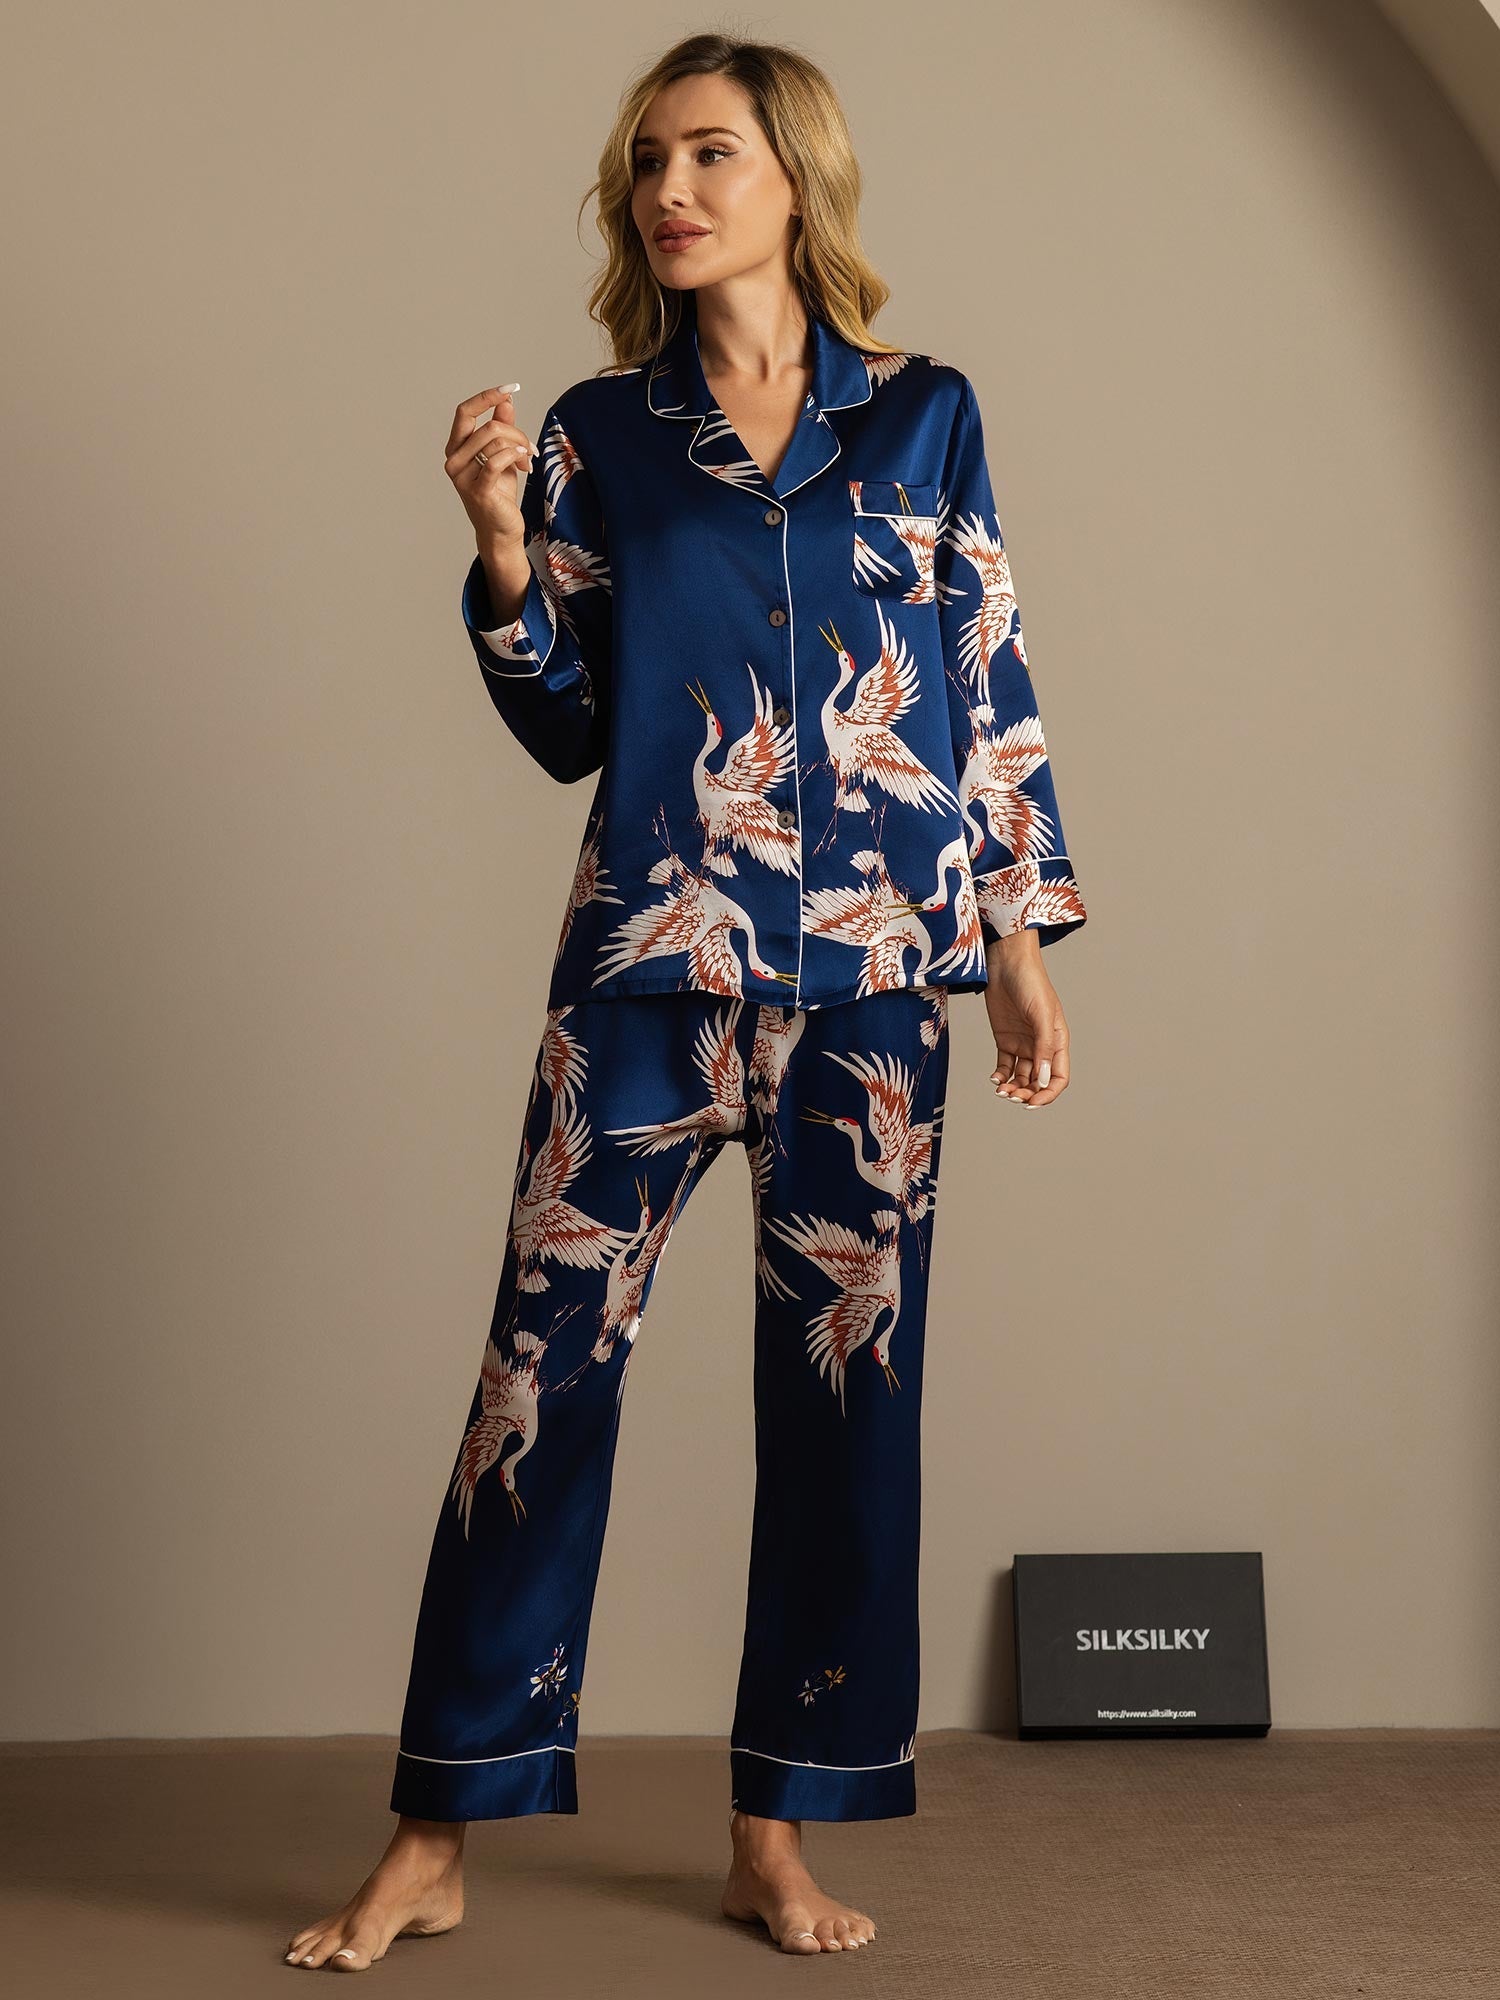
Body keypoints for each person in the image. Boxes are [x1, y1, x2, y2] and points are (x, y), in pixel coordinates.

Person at [285, 28, 1086, 1973]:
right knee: (535, 1389)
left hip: (872, 993)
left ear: (797, 175)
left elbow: (983, 679)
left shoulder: (924, 418)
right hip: (647, 976)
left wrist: (1014, 940)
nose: (672, 189)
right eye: (650, 160)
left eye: (712, 153)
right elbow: (566, 719)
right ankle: (435, 1832)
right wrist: (498, 547)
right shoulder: (599, 434)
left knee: (844, 1410)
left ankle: (773, 1834)